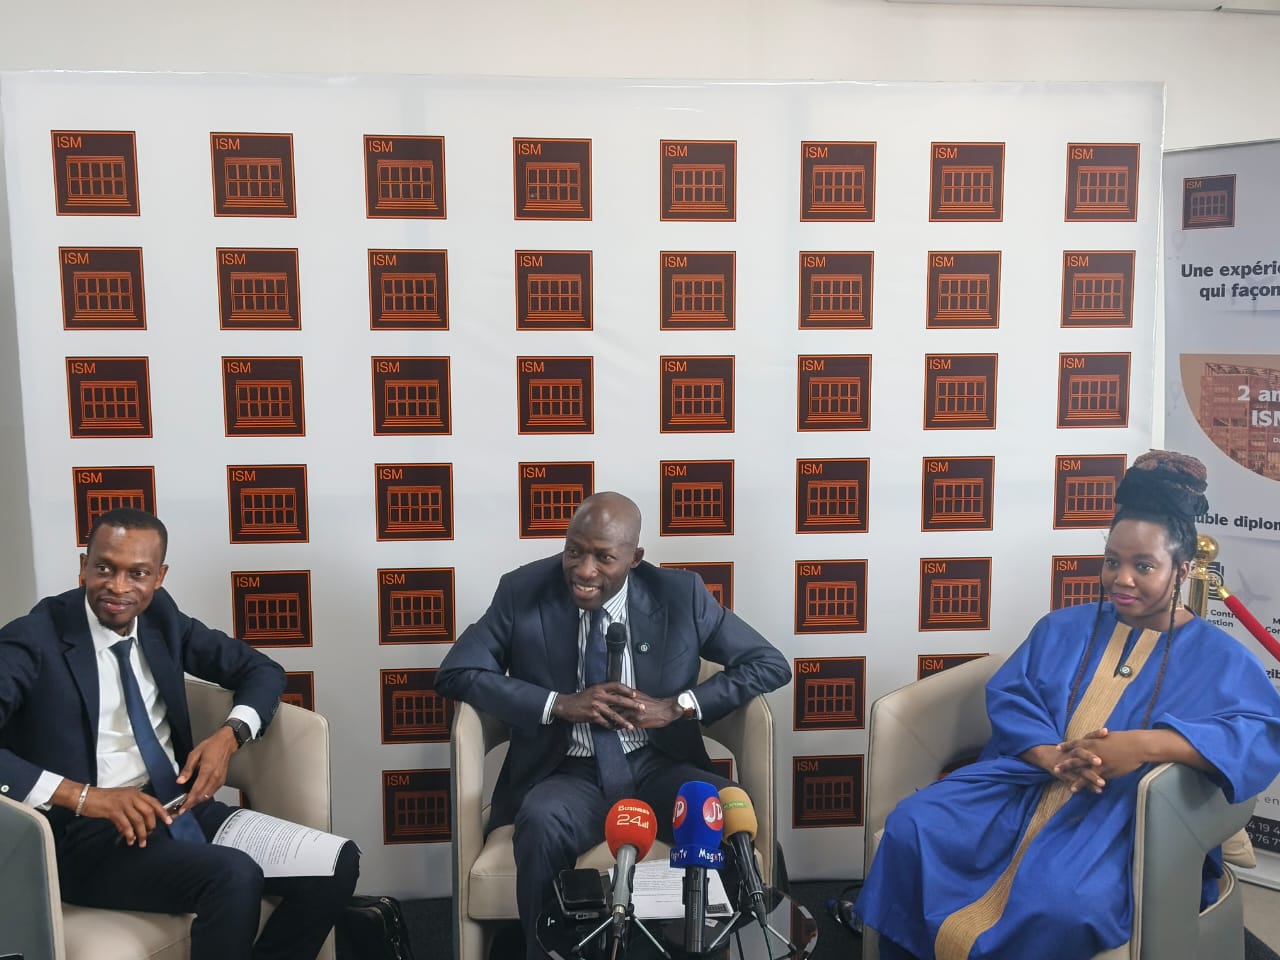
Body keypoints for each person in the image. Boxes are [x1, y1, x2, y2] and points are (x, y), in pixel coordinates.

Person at [856, 450, 1280, 960]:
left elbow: (1257, 735)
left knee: (1063, 902)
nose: (1122, 579)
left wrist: (1144, 746)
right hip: (1024, 786)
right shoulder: (1063, 627)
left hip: (1124, 819)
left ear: (1183, 570)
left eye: (1144, 566)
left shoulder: (1221, 658)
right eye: (1112, 561)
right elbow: (1013, 695)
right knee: (914, 824)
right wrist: (1049, 755)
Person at [436, 491, 790, 958]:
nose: (584, 570)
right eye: (574, 551)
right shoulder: (522, 591)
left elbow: (769, 664)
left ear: (634, 558)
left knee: (721, 813)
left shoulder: (680, 596)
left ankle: (714, 949)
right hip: (567, 772)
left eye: (603, 557)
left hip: (658, 763)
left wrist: (678, 706)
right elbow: (456, 672)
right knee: (539, 823)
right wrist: (559, 704)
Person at [0, 508, 359, 960]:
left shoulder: (160, 617)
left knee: (336, 863)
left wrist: (229, 737)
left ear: (159, 577)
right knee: (233, 876)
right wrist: (86, 797)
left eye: (137, 573)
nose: (118, 587)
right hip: (86, 837)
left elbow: (261, 670)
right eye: (104, 568)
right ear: (84, 565)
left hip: (176, 805)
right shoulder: (33, 638)